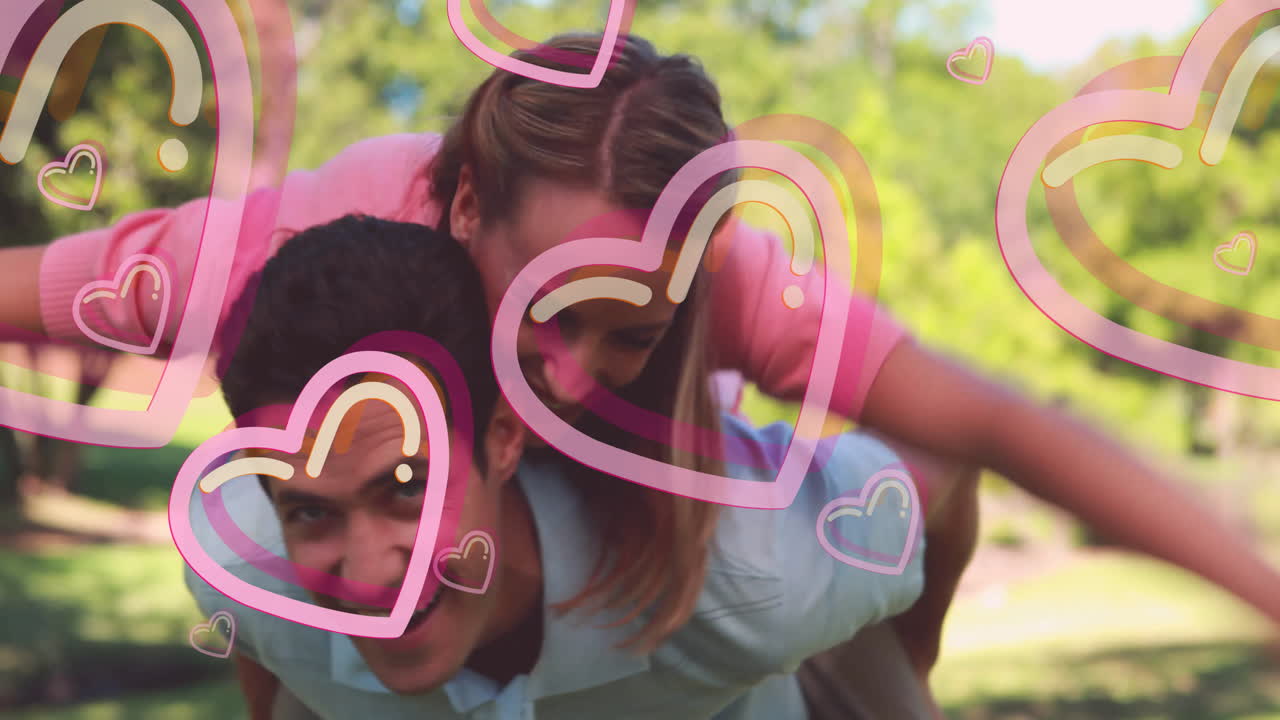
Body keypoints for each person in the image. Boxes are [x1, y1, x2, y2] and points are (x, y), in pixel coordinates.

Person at [5, 30, 1280, 715]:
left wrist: (914, 646)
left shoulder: (725, 298)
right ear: (457, 209)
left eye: (634, 328)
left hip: (727, 586)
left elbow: (993, 430)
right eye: (553, 313)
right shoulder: (295, 264)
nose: (576, 377)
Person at [191, 214, 930, 719]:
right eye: (311, 510)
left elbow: (939, 468)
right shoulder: (240, 563)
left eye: (408, 488)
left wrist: (909, 685)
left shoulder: (759, 567)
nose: (369, 572)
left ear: (505, 437)